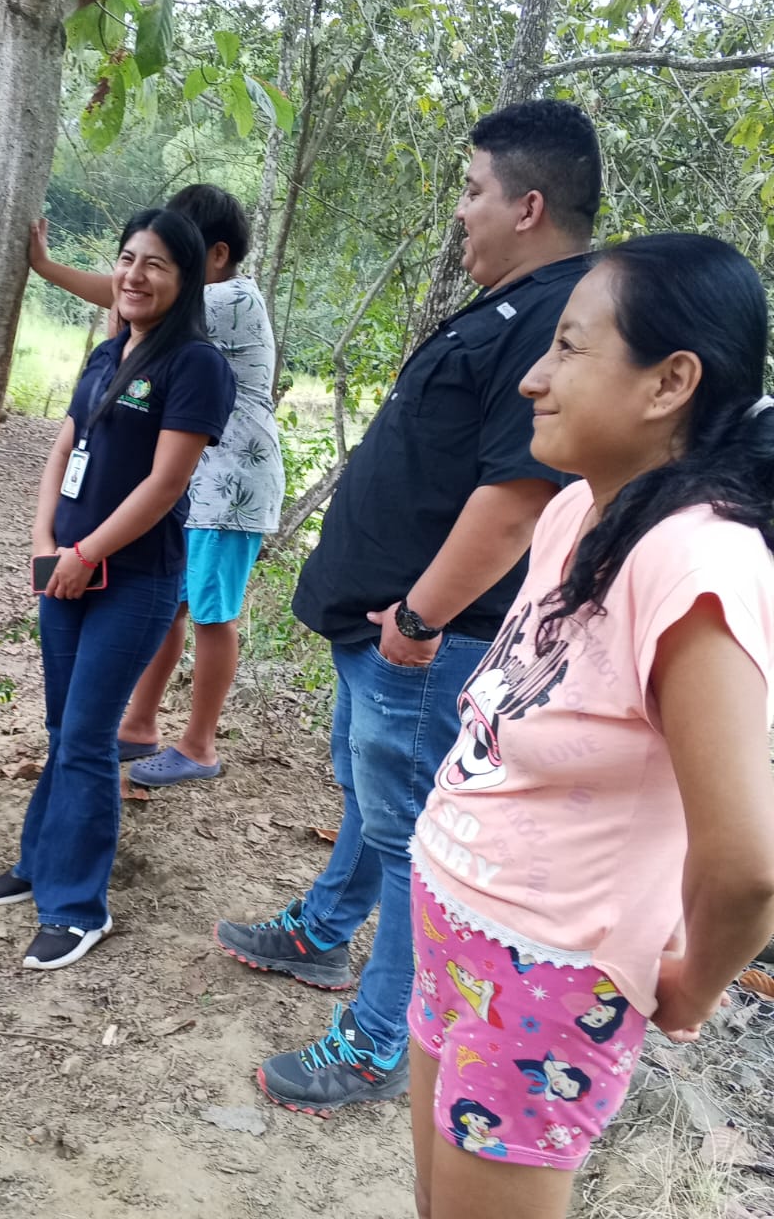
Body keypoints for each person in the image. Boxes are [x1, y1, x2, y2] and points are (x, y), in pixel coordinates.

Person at [377, 232, 774, 1219]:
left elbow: (747, 860)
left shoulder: (699, 563)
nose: (535, 377)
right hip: (458, 937)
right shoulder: (579, 516)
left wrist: (690, 984)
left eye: (567, 348)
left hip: (543, 980)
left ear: (670, 382)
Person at [213, 100, 603, 1113]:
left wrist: (420, 622)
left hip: (432, 642)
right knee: (375, 803)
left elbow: (518, 497)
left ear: (528, 206)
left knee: (413, 844)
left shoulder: (557, 318)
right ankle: (322, 934)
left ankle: (381, 1039)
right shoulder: (512, 308)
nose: (461, 212)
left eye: (473, 192)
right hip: (390, 631)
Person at [0, 207, 235, 969]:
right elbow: (63, 449)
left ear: (186, 279)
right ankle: (41, 862)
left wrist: (87, 550)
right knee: (66, 727)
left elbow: (165, 486)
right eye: (127, 258)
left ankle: (77, 908)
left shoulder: (195, 364)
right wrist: (43, 542)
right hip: (65, 568)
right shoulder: (106, 354)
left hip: (133, 578)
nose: (134, 275)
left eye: (155, 263)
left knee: (90, 734)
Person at [28, 183, 284, 786]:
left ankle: (199, 745)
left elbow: (125, 296)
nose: (143, 274)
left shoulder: (228, 299)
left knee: (212, 614)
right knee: (170, 606)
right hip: (196, 480)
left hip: (231, 484)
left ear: (212, 255)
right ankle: (139, 725)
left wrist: (46, 267)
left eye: (171, 253)